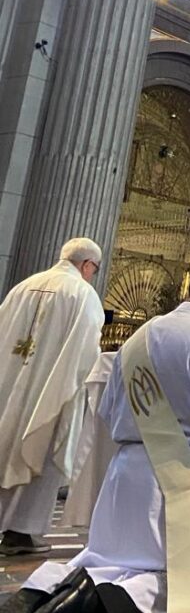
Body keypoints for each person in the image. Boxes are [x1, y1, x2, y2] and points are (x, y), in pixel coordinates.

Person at [0, 264, 190, 613]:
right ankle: (85, 602)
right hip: (179, 476)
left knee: (107, 560)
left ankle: (44, 589)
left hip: (125, 474)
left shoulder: (140, 337)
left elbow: (110, 407)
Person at [0, 238, 104, 555]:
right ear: (87, 265)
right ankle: (21, 531)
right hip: (49, 393)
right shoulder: (83, 294)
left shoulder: (23, 286)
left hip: (8, 388)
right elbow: (87, 353)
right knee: (41, 450)